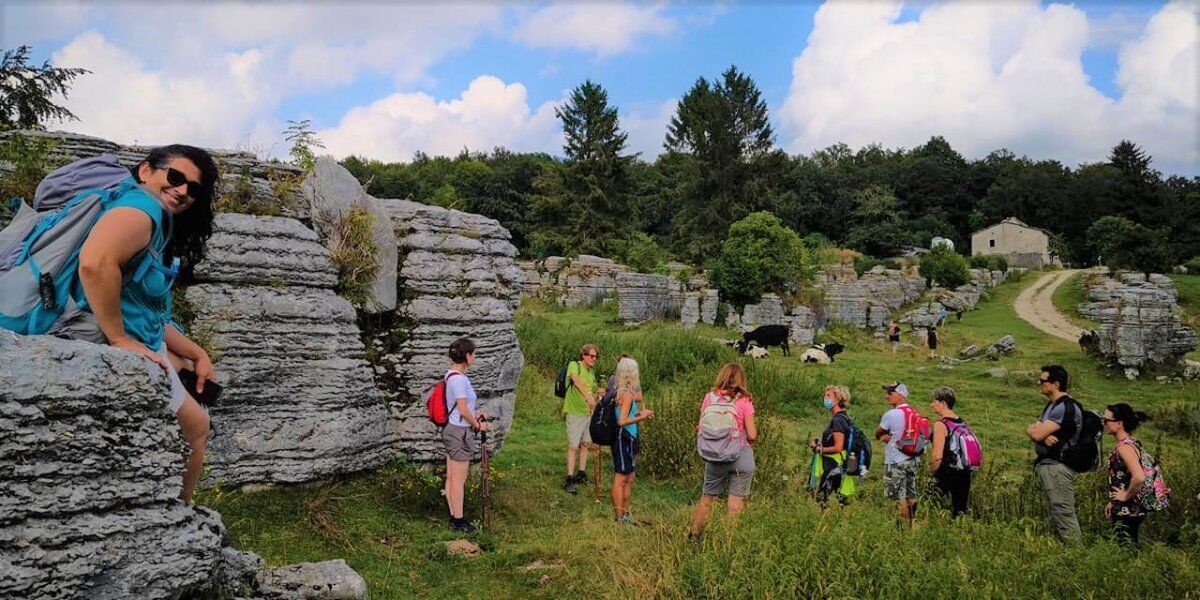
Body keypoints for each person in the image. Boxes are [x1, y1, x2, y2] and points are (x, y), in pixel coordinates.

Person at [46, 145, 219, 503]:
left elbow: (142, 306)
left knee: (188, 367)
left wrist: (195, 351)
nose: (183, 190)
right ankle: (181, 513)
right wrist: (119, 338)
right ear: (145, 172)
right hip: (90, 331)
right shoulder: (142, 210)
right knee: (198, 428)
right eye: (175, 177)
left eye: (194, 188)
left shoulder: (141, 210)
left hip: (134, 332)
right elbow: (95, 264)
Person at [689, 364, 757, 542]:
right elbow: (752, 434)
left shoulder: (709, 398)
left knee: (707, 499)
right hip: (740, 454)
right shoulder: (744, 401)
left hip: (714, 456)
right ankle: (728, 542)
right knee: (735, 504)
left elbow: (703, 426)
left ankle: (694, 536)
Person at [1025, 365, 1082, 543]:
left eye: (1043, 381)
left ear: (1056, 384)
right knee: (1055, 511)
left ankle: (1075, 554)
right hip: (1049, 465)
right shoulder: (1052, 405)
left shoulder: (1063, 407)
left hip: (1057, 466)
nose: (1039, 383)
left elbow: (1035, 432)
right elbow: (1031, 429)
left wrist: (1039, 434)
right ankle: (1066, 551)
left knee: (1062, 511)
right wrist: (1040, 434)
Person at [442, 338, 488, 533]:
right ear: (467, 356)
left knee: (452, 477)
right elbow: (462, 409)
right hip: (459, 431)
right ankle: (459, 521)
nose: (475, 357)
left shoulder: (450, 375)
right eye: (474, 354)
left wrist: (475, 413)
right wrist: (477, 424)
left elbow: (462, 407)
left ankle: (454, 516)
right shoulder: (459, 379)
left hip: (451, 428)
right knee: (459, 479)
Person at [611, 357, 653, 525]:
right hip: (623, 437)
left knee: (630, 477)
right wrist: (641, 417)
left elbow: (624, 415)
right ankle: (620, 517)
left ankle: (626, 514)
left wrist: (638, 415)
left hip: (628, 436)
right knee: (621, 478)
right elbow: (621, 421)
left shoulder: (620, 391)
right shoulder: (626, 394)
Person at [1104, 403, 1150, 545]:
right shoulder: (1130, 443)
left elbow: (1139, 477)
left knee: (1125, 548)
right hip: (1128, 508)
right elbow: (1125, 477)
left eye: (1106, 420)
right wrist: (1114, 500)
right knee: (1127, 546)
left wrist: (1125, 496)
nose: (1103, 423)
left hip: (1128, 510)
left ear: (1119, 423)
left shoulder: (1125, 448)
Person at [876, 382, 920, 528]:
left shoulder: (891, 414)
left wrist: (885, 435)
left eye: (890, 393)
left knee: (896, 498)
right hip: (912, 459)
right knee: (911, 496)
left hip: (894, 460)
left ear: (900, 395)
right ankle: (913, 527)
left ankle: (901, 531)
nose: (886, 397)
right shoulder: (915, 413)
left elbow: (877, 433)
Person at [929, 386, 972, 518]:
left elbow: (937, 457)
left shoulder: (941, 425)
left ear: (943, 403)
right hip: (964, 472)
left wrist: (931, 474)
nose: (932, 405)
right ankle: (961, 533)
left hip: (946, 472)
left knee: (932, 506)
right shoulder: (963, 422)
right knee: (960, 510)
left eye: (934, 401)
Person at [562, 343, 600, 494]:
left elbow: (594, 390)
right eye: (591, 356)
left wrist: (598, 393)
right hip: (575, 412)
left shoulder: (591, 372)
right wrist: (587, 396)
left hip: (587, 413)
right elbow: (576, 380)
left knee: (585, 444)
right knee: (573, 446)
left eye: (596, 357)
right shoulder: (574, 365)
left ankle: (581, 473)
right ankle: (569, 479)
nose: (594, 359)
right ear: (583, 355)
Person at [809, 385, 856, 506]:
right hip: (840, 464)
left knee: (824, 500)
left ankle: (827, 523)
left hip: (834, 465)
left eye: (828, 395)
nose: (825, 398)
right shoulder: (843, 417)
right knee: (840, 499)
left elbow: (838, 447)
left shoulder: (838, 420)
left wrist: (820, 449)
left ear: (838, 399)